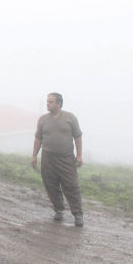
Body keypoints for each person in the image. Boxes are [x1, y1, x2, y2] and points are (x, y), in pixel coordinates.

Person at [31, 92, 84, 227]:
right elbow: (38, 138)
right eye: (47, 102)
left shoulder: (70, 118)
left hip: (66, 158)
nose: (47, 104)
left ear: (59, 104)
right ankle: (58, 210)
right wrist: (34, 156)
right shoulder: (43, 119)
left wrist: (79, 155)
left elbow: (77, 136)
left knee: (71, 186)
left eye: (50, 102)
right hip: (48, 158)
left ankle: (78, 215)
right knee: (51, 185)